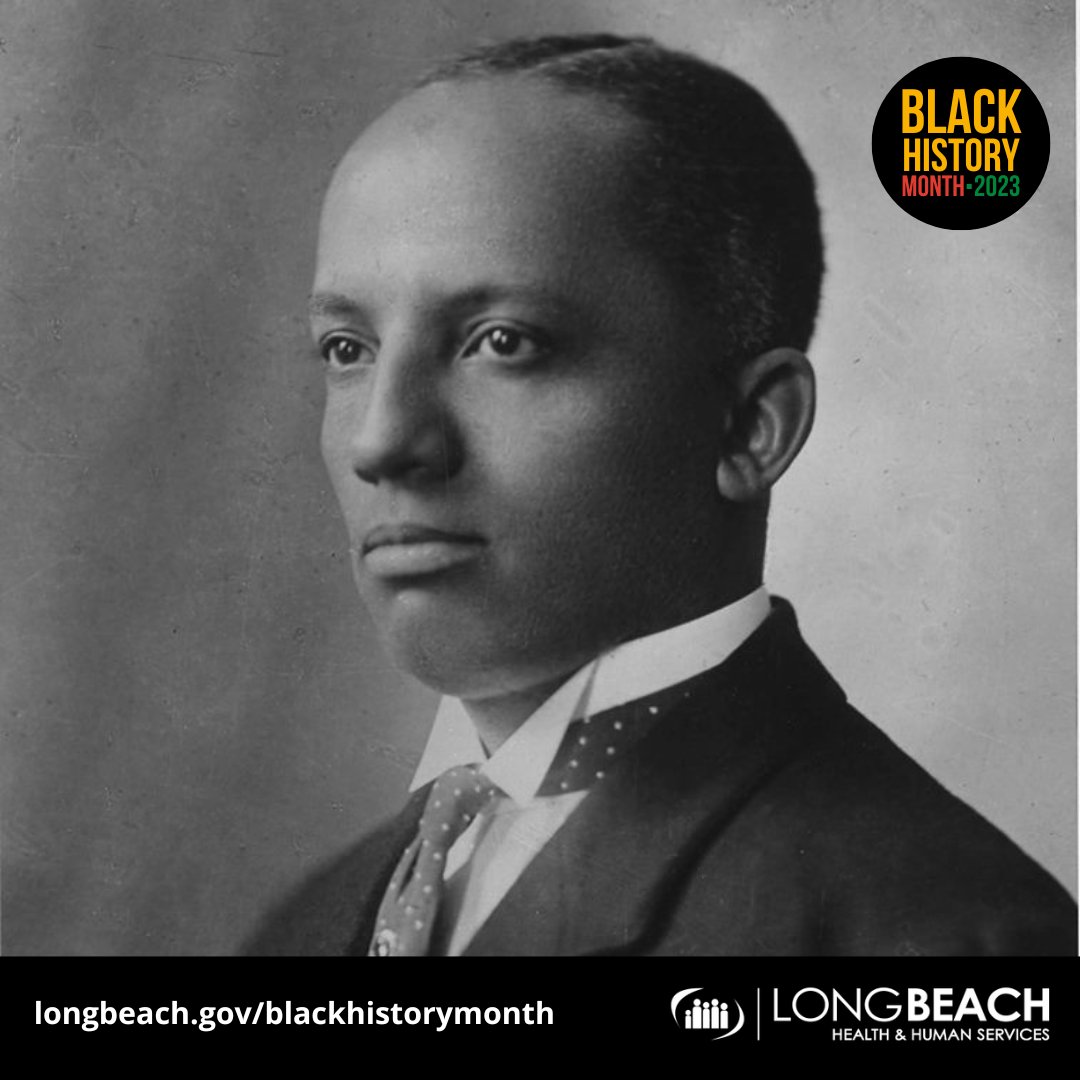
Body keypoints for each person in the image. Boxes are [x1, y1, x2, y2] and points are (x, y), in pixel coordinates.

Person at [245, 34, 1076, 956]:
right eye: (348, 350)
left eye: (505, 342)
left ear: (749, 428)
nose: (382, 441)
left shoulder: (950, 937)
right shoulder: (309, 928)